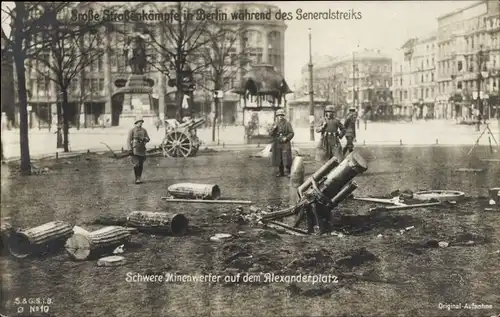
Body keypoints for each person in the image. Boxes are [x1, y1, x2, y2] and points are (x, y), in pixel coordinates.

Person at [269, 109, 294, 177]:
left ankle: (288, 172)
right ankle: (281, 172)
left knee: (287, 157)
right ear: (277, 116)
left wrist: (286, 138)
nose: (280, 116)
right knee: (278, 157)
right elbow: (270, 134)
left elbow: (291, 133)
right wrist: (273, 129)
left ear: (284, 116)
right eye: (279, 115)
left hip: (285, 142)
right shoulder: (275, 123)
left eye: (282, 115)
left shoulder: (287, 123)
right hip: (277, 142)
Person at [127, 117, 150, 184]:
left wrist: (146, 139)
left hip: (142, 149)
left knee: (141, 164)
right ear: (136, 123)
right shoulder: (132, 130)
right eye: (140, 122)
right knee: (136, 164)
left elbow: (148, 138)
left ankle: (139, 177)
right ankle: (136, 178)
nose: (141, 123)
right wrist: (130, 149)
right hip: (135, 149)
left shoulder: (144, 130)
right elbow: (128, 140)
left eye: (141, 122)